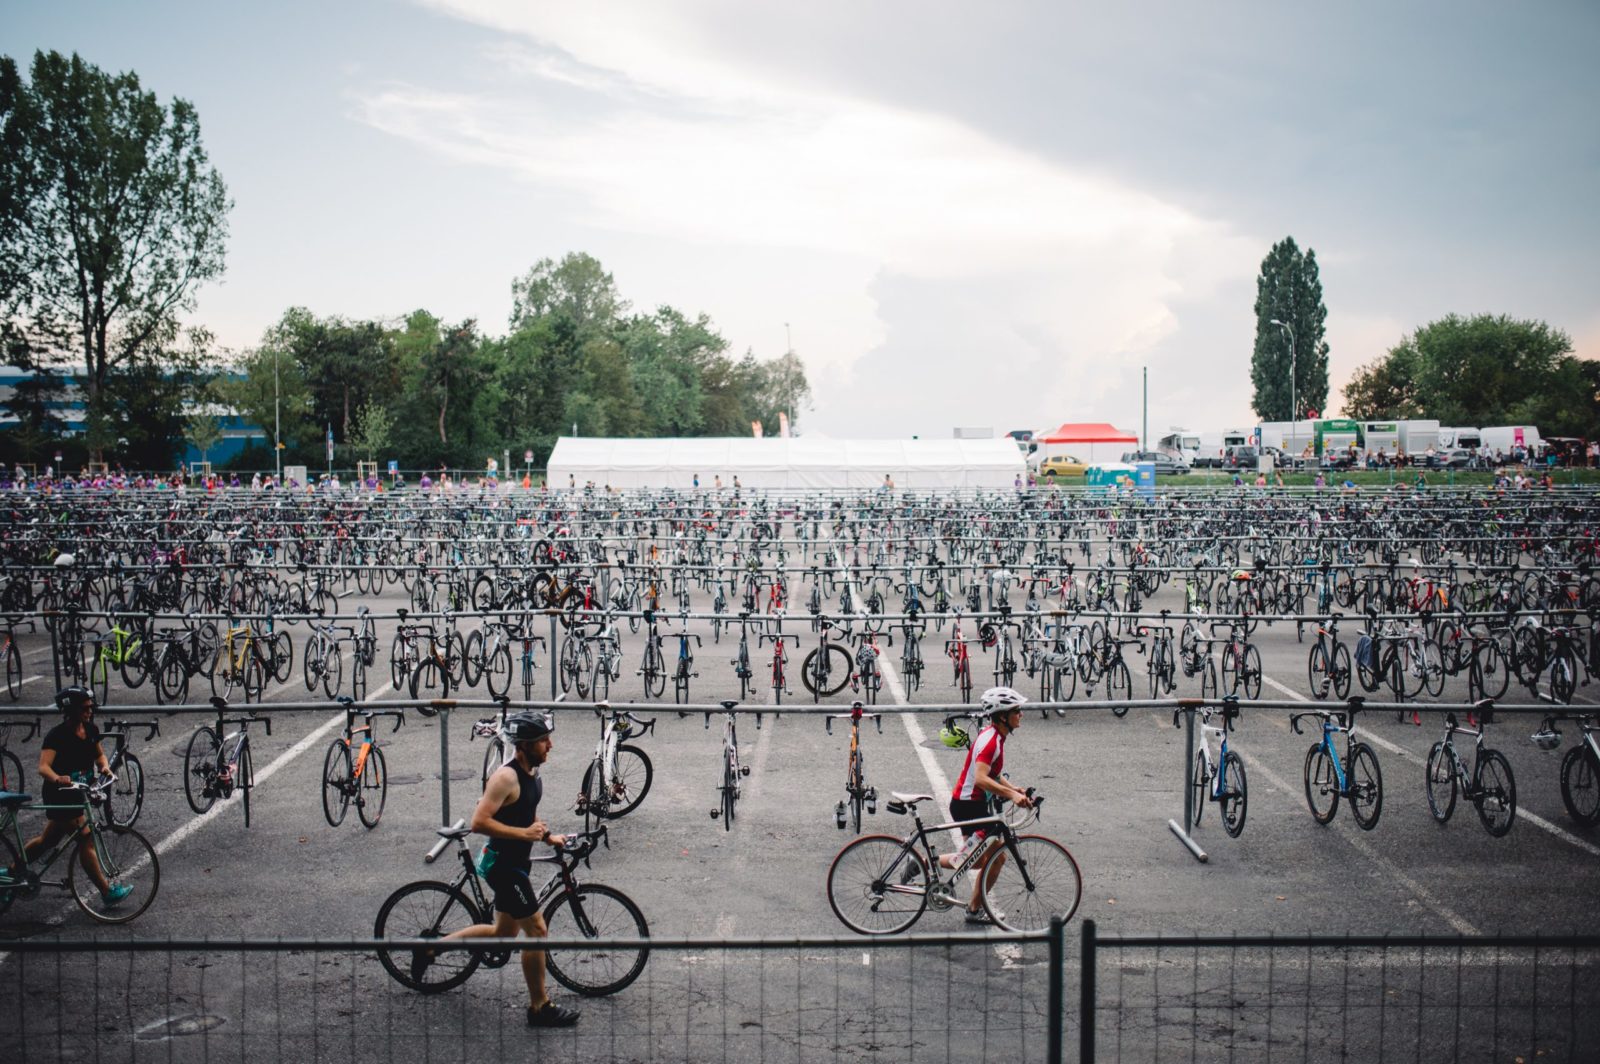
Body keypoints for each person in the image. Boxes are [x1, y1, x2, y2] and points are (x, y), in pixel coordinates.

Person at [411, 712, 579, 1027]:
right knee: (537, 930)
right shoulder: (506, 777)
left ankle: (431, 948)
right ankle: (539, 1007)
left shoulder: (532, 773)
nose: (550, 746)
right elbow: (479, 822)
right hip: (503, 865)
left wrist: (547, 836)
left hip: (517, 862)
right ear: (526, 745)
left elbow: (525, 814)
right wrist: (524, 835)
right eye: (544, 741)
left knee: (503, 932)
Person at [16, 688, 129, 906]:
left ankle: (12, 872)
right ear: (72, 710)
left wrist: (104, 767)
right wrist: (58, 778)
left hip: (79, 792)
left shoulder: (90, 729)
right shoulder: (57, 736)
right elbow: (43, 767)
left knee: (46, 841)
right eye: (85, 708)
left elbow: (99, 754)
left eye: (91, 707)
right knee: (85, 838)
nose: (89, 711)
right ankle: (107, 892)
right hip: (60, 795)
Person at [938, 687, 1034, 925]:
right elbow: (981, 778)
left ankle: (972, 907)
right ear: (1003, 716)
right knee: (986, 859)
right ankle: (970, 906)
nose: (1020, 715)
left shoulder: (995, 736)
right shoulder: (992, 741)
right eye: (1016, 711)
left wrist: (1014, 789)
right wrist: (1011, 797)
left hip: (971, 803)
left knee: (985, 858)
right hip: (969, 804)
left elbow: (994, 774)